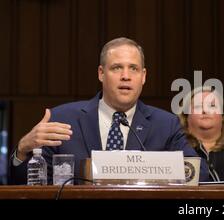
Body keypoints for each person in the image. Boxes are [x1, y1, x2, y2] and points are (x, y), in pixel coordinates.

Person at [9, 37, 207, 184]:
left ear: (143, 76)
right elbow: (23, 183)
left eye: (134, 69)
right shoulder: (62, 119)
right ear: (101, 73)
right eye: (116, 68)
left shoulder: (165, 124)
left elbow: (198, 175)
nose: (126, 76)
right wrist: (22, 149)